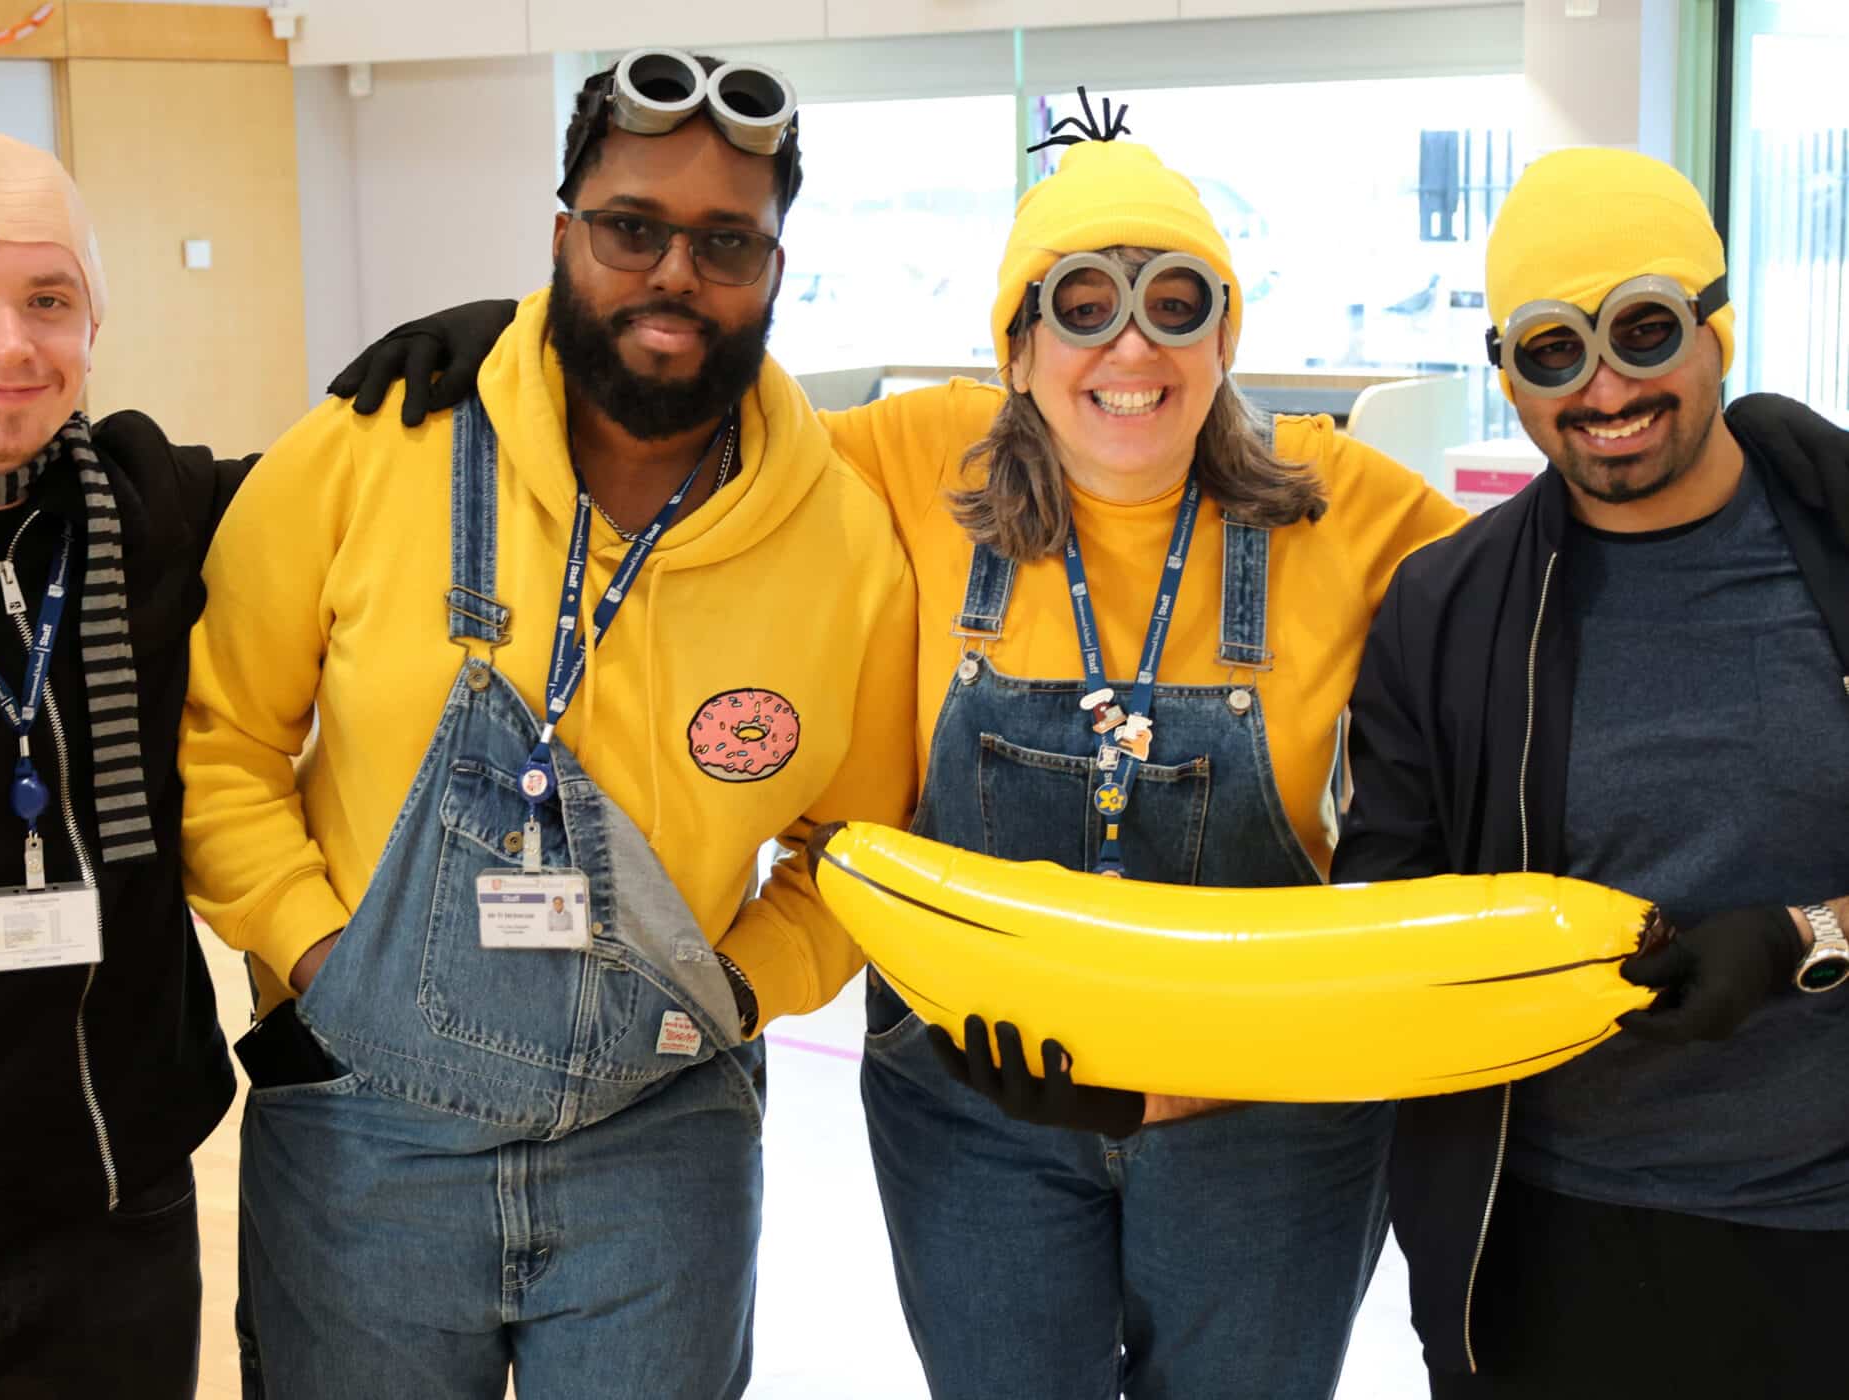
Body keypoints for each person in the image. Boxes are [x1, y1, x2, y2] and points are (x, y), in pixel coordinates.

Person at [354, 102, 1467, 1398]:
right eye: (1083, 304)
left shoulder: (1343, 501)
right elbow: (673, 420)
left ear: (1226, 335)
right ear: (1016, 346)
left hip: (1262, 1122)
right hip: (977, 1108)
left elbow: (1547, 585)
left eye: (1177, 303)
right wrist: (526, 346)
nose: (1131, 345)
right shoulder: (908, 459)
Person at [177, 50, 917, 1400]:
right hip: (365, 1133)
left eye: (726, 242)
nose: (674, 275)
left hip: (663, 1146)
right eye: (632, 227)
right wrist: (318, 954)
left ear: (776, 268)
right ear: (563, 232)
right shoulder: (369, 447)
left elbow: (860, 854)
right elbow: (219, 742)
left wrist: (738, 989)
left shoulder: (845, 543)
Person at [0, 128, 443, 1399]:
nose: (9, 343)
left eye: (49, 300)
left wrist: (484, 342)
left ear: (94, 323)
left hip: (119, 1224)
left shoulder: (154, 513)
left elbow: (370, 494)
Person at [1335, 147, 1849, 1399]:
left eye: (1645, 328)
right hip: (1544, 1240)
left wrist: (1807, 934)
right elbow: (1378, 935)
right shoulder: (1446, 611)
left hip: (1824, 1228)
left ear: (1718, 326)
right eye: (1555, 350)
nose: (1606, 387)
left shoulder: (1837, 548)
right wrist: (1146, 1076)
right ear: (1509, 372)